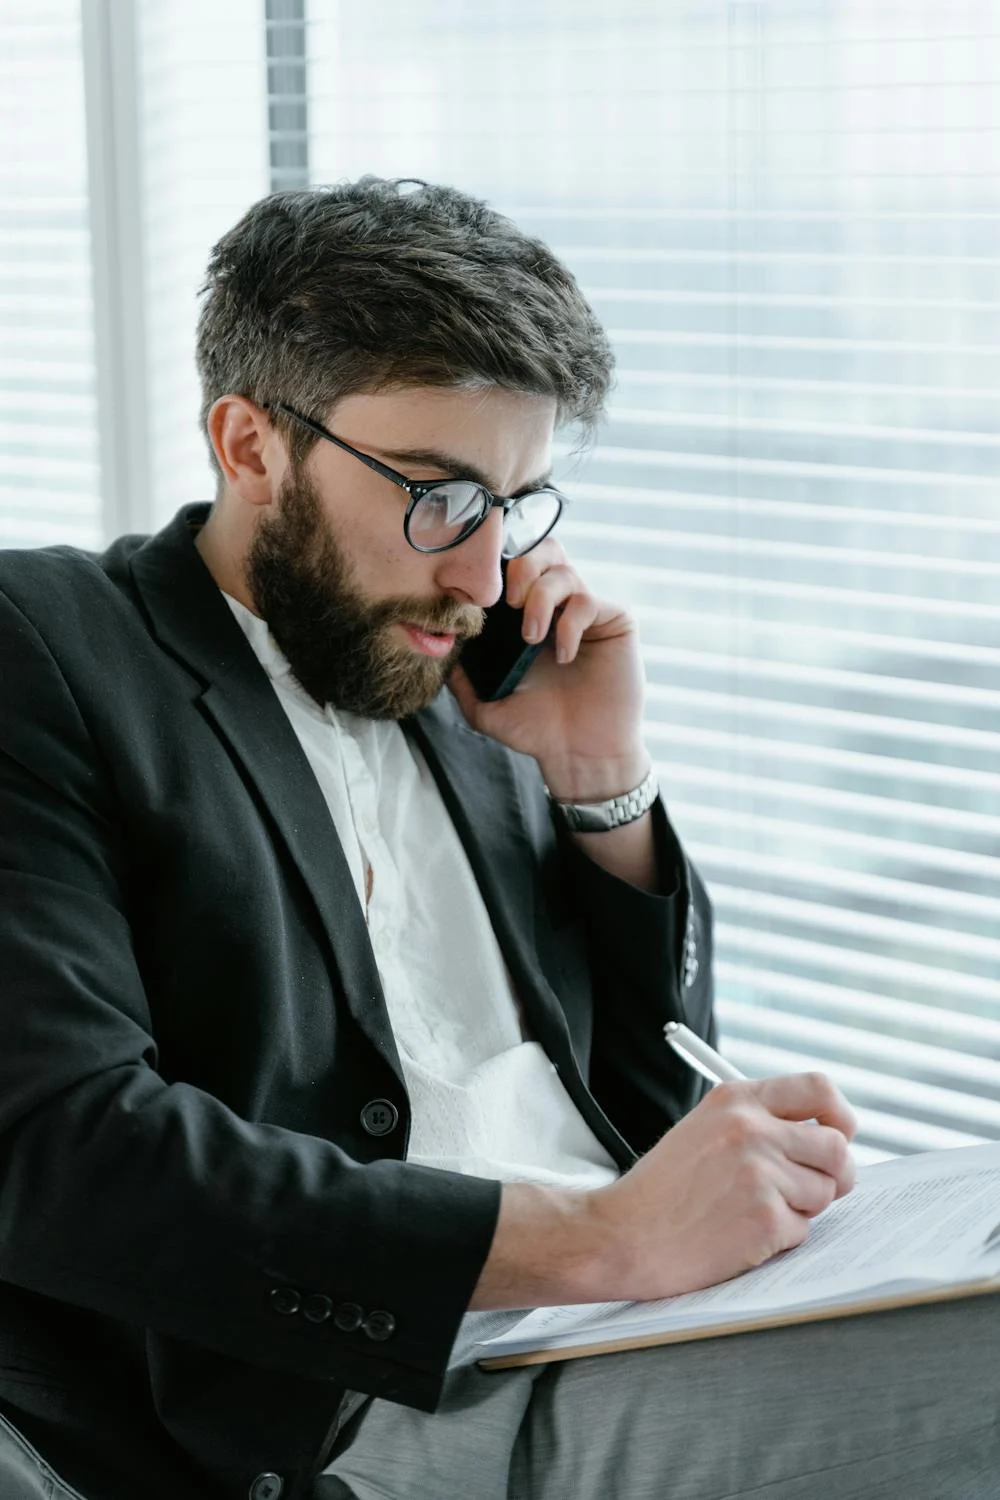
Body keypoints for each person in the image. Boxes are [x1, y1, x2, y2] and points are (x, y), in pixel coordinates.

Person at [0, 178, 996, 1500]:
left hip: (628, 1327)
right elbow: (63, 1152)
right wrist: (599, 1242)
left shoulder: (464, 672)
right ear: (249, 445)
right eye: (436, 493)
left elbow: (643, 1105)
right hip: (382, 1396)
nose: (481, 574)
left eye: (513, 503)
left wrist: (604, 791)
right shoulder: (54, 650)